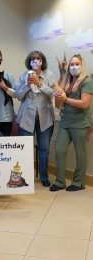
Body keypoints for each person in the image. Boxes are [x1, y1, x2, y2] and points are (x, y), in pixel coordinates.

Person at [50, 54, 93, 192]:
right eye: (72, 64)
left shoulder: (87, 82)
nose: (74, 67)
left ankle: (79, 182)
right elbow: (58, 105)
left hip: (80, 123)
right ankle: (60, 181)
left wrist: (66, 99)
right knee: (59, 150)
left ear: (82, 65)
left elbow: (85, 104)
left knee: (80, 154)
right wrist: (58, 97)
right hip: (65, 122)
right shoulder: (65, 82)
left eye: (77, 64)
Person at [16, 51, 55, 187]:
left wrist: (39, 83)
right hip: (26, 118)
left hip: (45, 118)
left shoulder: (49, 75)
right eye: (33, 59)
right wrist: (27, 85)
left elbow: (52, 94)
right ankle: (24, 177)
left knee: (44, 149)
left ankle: (44, 176)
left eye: (38, 59)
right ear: (29, 62)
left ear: (42, 61)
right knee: (25, 149)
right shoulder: (23, 75)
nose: (35, 61)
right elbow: (19, 96)